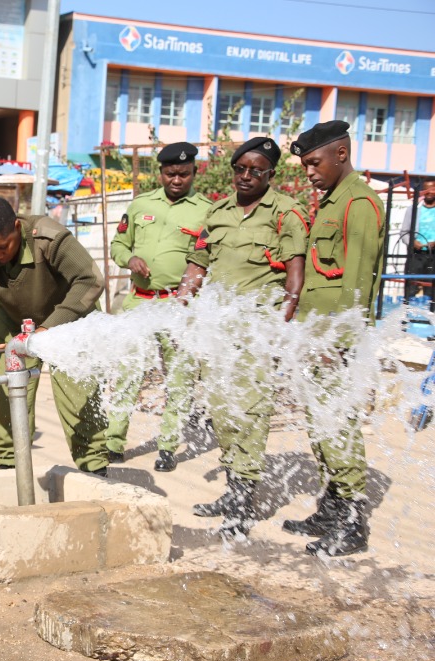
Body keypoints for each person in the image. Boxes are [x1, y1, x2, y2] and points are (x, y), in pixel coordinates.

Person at [175, 137, 308, 538]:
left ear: (271, 174)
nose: (247, 176)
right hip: (219, 329)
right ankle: (233, 492)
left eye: (257, 170)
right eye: (241, 169)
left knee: (250, 413)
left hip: (257, 332)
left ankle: (242, 502)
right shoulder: (217, 212)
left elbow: (294, 272)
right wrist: (181, 303)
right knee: (223, 410)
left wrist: (285, 321)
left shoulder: (286, 212)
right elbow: (197, 263)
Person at [0, 198, 110, 475]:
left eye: (3, 247)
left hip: (70, 319)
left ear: (17, 228)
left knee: (77, 396)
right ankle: (10, 463)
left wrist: (50, 328)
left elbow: (91, 280)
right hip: (15, 320)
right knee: (10, 392)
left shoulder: (49, 237)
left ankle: (94, 468)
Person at [285, 120, 385, 556]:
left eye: (313, 162)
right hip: (315, 334)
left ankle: (352, 524)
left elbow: (358, 283)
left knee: (338, 427)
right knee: (320, 427)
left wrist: (338, 343)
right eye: (305, 164)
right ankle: (331, 507)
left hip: (333, 341)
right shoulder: (330, 202)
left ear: (340, 154)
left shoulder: (359, 204)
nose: (309, 171)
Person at [105, 142, 212, 472]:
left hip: (179, 307)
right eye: (170, 173)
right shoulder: (139, 205)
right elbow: (118, 244)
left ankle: (167, 446)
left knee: (179, 378)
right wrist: (129, 258)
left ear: (194, 173)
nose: (177, 180)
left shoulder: (207, 211)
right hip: (139, 301)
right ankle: (113, 442)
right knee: (127, 372)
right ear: (160, 173)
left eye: (184, 174)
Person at [399, 179, 435, 303]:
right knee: (411, 288)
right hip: (416, 254)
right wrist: (412, 242)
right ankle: (406, 317)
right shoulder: (413, 209)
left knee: (431, 291)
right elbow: (404, 232)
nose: (429, 192)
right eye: (426, 189)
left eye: (432, 189)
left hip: (433, 255)